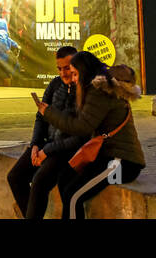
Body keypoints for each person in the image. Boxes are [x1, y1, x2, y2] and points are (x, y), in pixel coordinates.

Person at [36, 52, 145, 219]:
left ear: (84, 72)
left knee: (74, 195)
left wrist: (48, 112)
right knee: (65, 179)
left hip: (122, 162)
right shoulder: (95, 90)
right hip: (105, 157)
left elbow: (82, 127)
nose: (72, 79)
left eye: (74, 74)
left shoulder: (100, 93)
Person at [6, 46, 80, 219]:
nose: (63, 73)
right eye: (59, 69)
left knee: (40, 181)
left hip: (66, 150)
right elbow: (40, 117)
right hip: (47, 144)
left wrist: (46, 151)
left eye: (67, 68)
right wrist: (35, 145)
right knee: (15, 176)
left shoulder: (83, 90)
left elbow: (79, 134)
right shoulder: (54, 84)